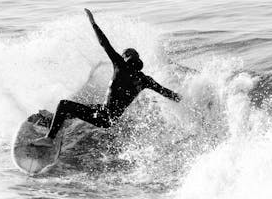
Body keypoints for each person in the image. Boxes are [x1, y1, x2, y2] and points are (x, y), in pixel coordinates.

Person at [31, 8, 181, 147]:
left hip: (103, 117)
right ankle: (56, 120)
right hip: (110, 118)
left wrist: (93, 23)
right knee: (88, 106)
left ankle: (49, 139)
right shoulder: (145, 80)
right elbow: (168, 94)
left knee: (64, 104)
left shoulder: (121, 66)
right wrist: (191, 98)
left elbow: (104, 43)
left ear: (126, 56)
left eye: (123, 55)